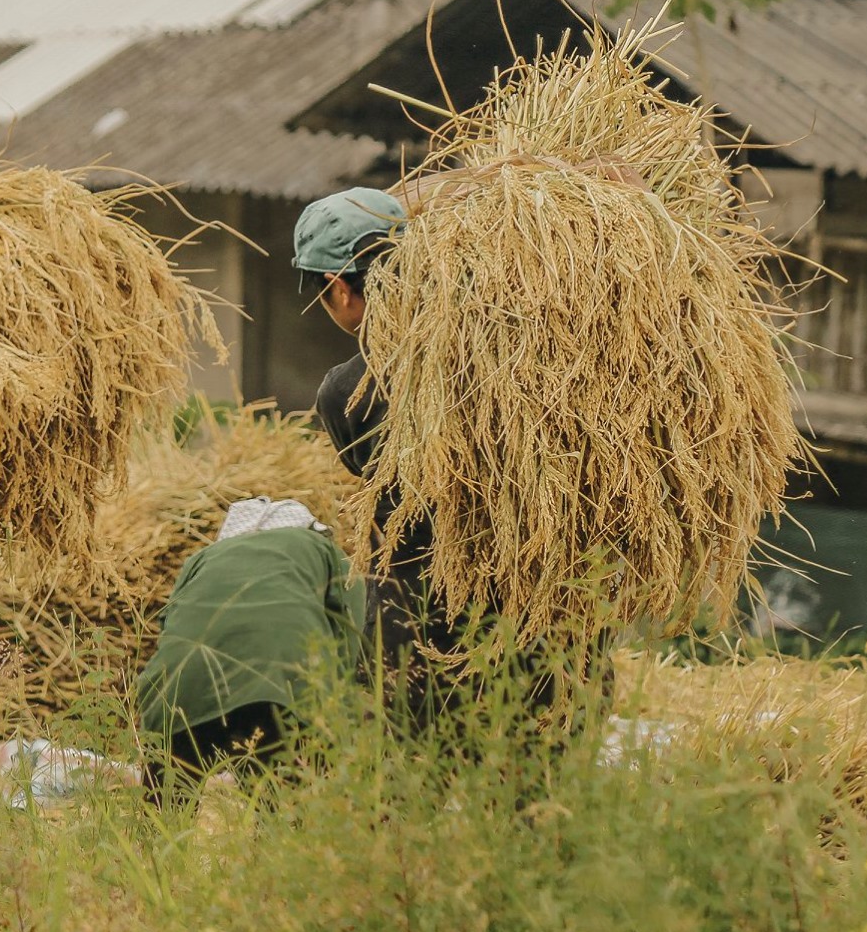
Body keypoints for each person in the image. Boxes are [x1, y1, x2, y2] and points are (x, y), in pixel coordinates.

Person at [295, 184, 606, 739]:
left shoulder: (345, 393)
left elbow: (364, 467)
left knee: (414, 803)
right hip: (546, 631)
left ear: (339, 289)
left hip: (419, 644)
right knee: (537, 808)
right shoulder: (527, 353)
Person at [135, 497, 365, 803]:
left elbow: (169, 624)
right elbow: (356, 633)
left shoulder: (203, 558)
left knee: (163, 814)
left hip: (179, 689)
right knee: (280, 819)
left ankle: (150, 847)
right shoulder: (325, 552)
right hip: (279, 685)